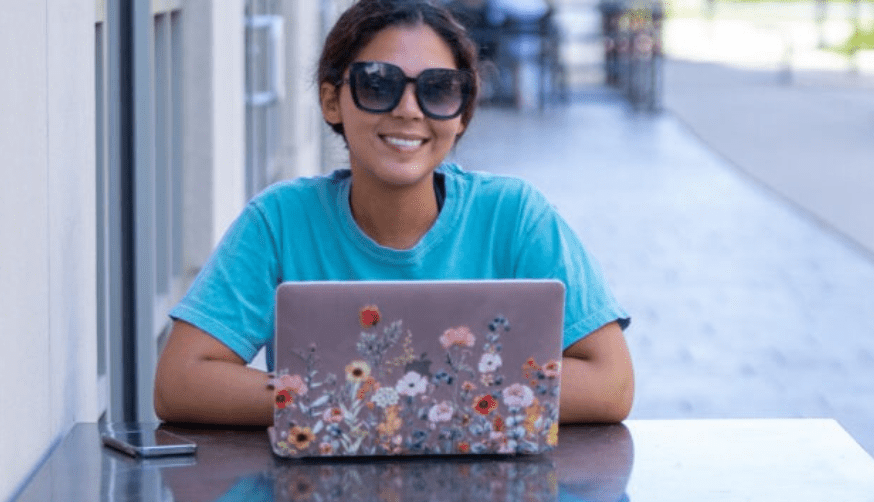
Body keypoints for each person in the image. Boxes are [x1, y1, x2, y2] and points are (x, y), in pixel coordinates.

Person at [154, 0, 633, 427]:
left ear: (463, 113)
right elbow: (181, 380)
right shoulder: (280, 221)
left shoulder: (515, 217)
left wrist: (379, 396)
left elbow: (611, 382)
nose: (408, 109)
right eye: (377, 84)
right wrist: (363, 398)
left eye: (438, 89)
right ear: (331, 101)